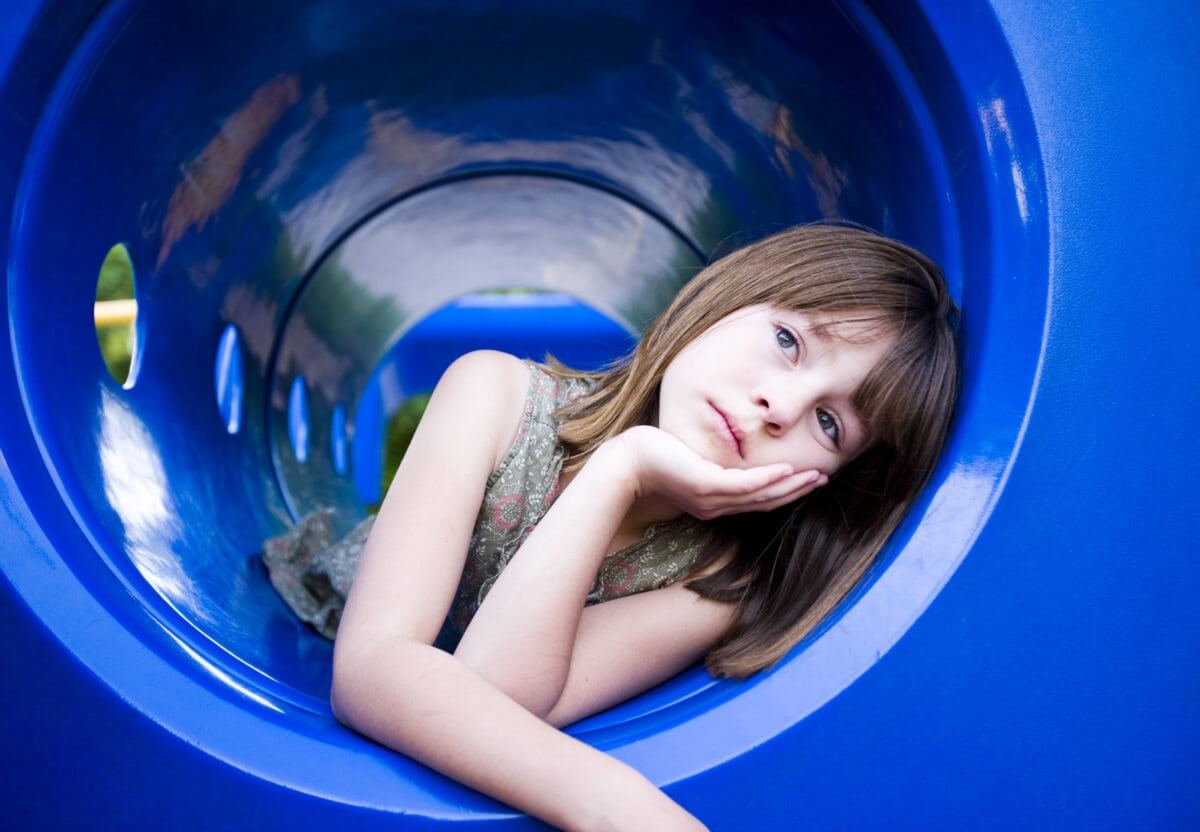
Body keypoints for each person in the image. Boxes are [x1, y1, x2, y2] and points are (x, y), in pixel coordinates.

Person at [262, 221, 962, 830]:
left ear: (832, 484)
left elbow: (490, 702)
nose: (779, 404)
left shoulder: (718, 579)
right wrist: (616, 803)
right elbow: (369, 669)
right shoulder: (494, 392)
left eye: (830, 423)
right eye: (788, 340)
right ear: (727, 298)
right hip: (336, 618)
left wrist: (615, 478)